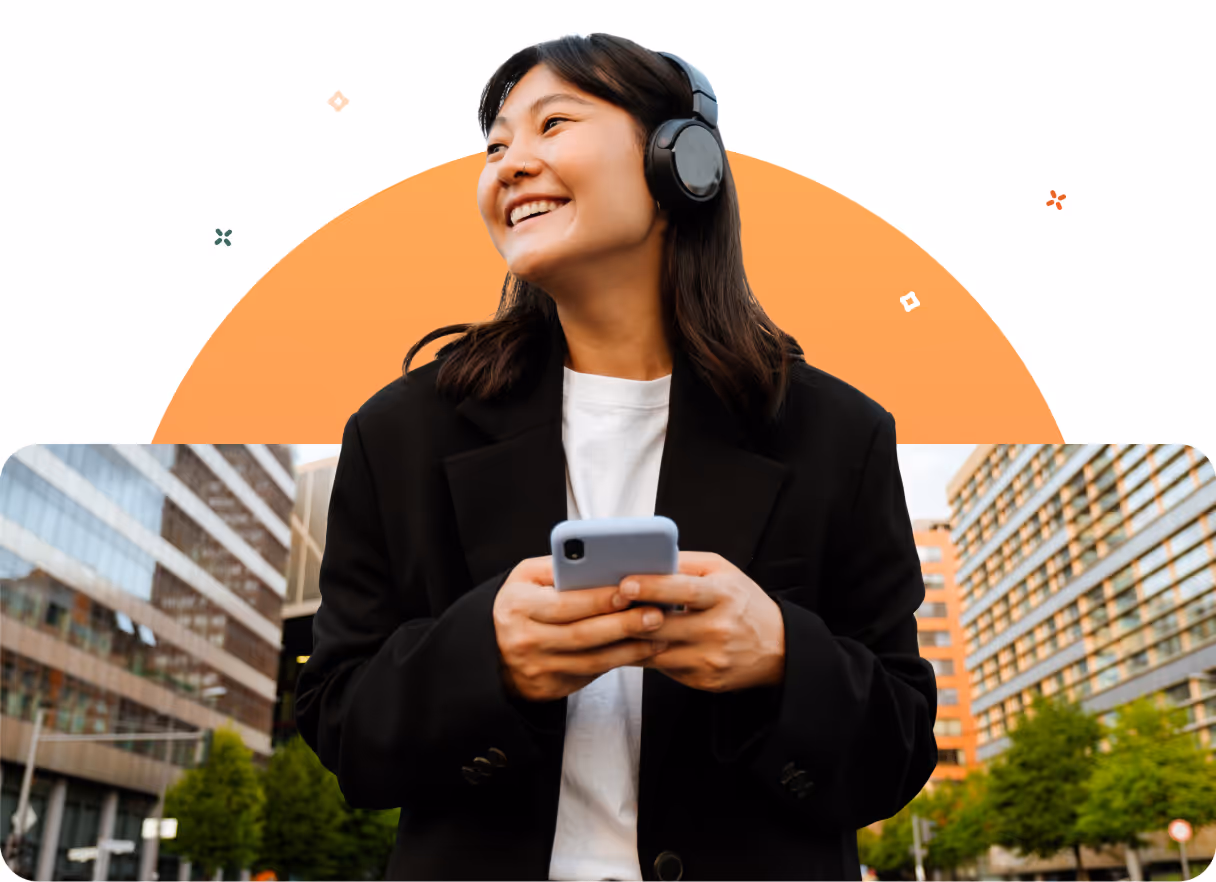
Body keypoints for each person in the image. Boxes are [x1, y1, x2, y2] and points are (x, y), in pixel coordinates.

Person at [294, 32, 937, 881]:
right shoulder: (401, 431)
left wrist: (781, 655)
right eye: (495, 146)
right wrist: (483, 660)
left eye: (552, 123)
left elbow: (897, 751)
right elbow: (343, 727)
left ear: (683, 164)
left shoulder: (837, 433)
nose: (510, 164)